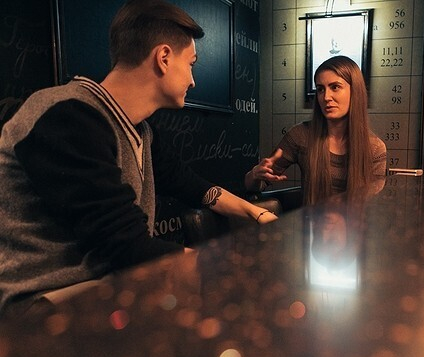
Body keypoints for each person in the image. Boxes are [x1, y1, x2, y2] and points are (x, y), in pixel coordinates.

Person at [0, 0, 277, 314]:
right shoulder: (66, 115)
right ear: (163, 58)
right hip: (40, 308)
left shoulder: (140, 130)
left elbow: (193, 186)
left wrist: (257, 215)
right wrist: (239, 265)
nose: (193, 80)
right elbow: (124, 245)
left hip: (104, 292)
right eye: (191, 64)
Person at [245, 55, 387, 205]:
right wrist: (255, 175)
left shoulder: (375, 148)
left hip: (356, 220)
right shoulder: (300, 135)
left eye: (335, 87)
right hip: (312, 220)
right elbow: (253, 185)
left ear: (355, 91)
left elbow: (374, 206)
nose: (326, 97)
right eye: (320, 89)